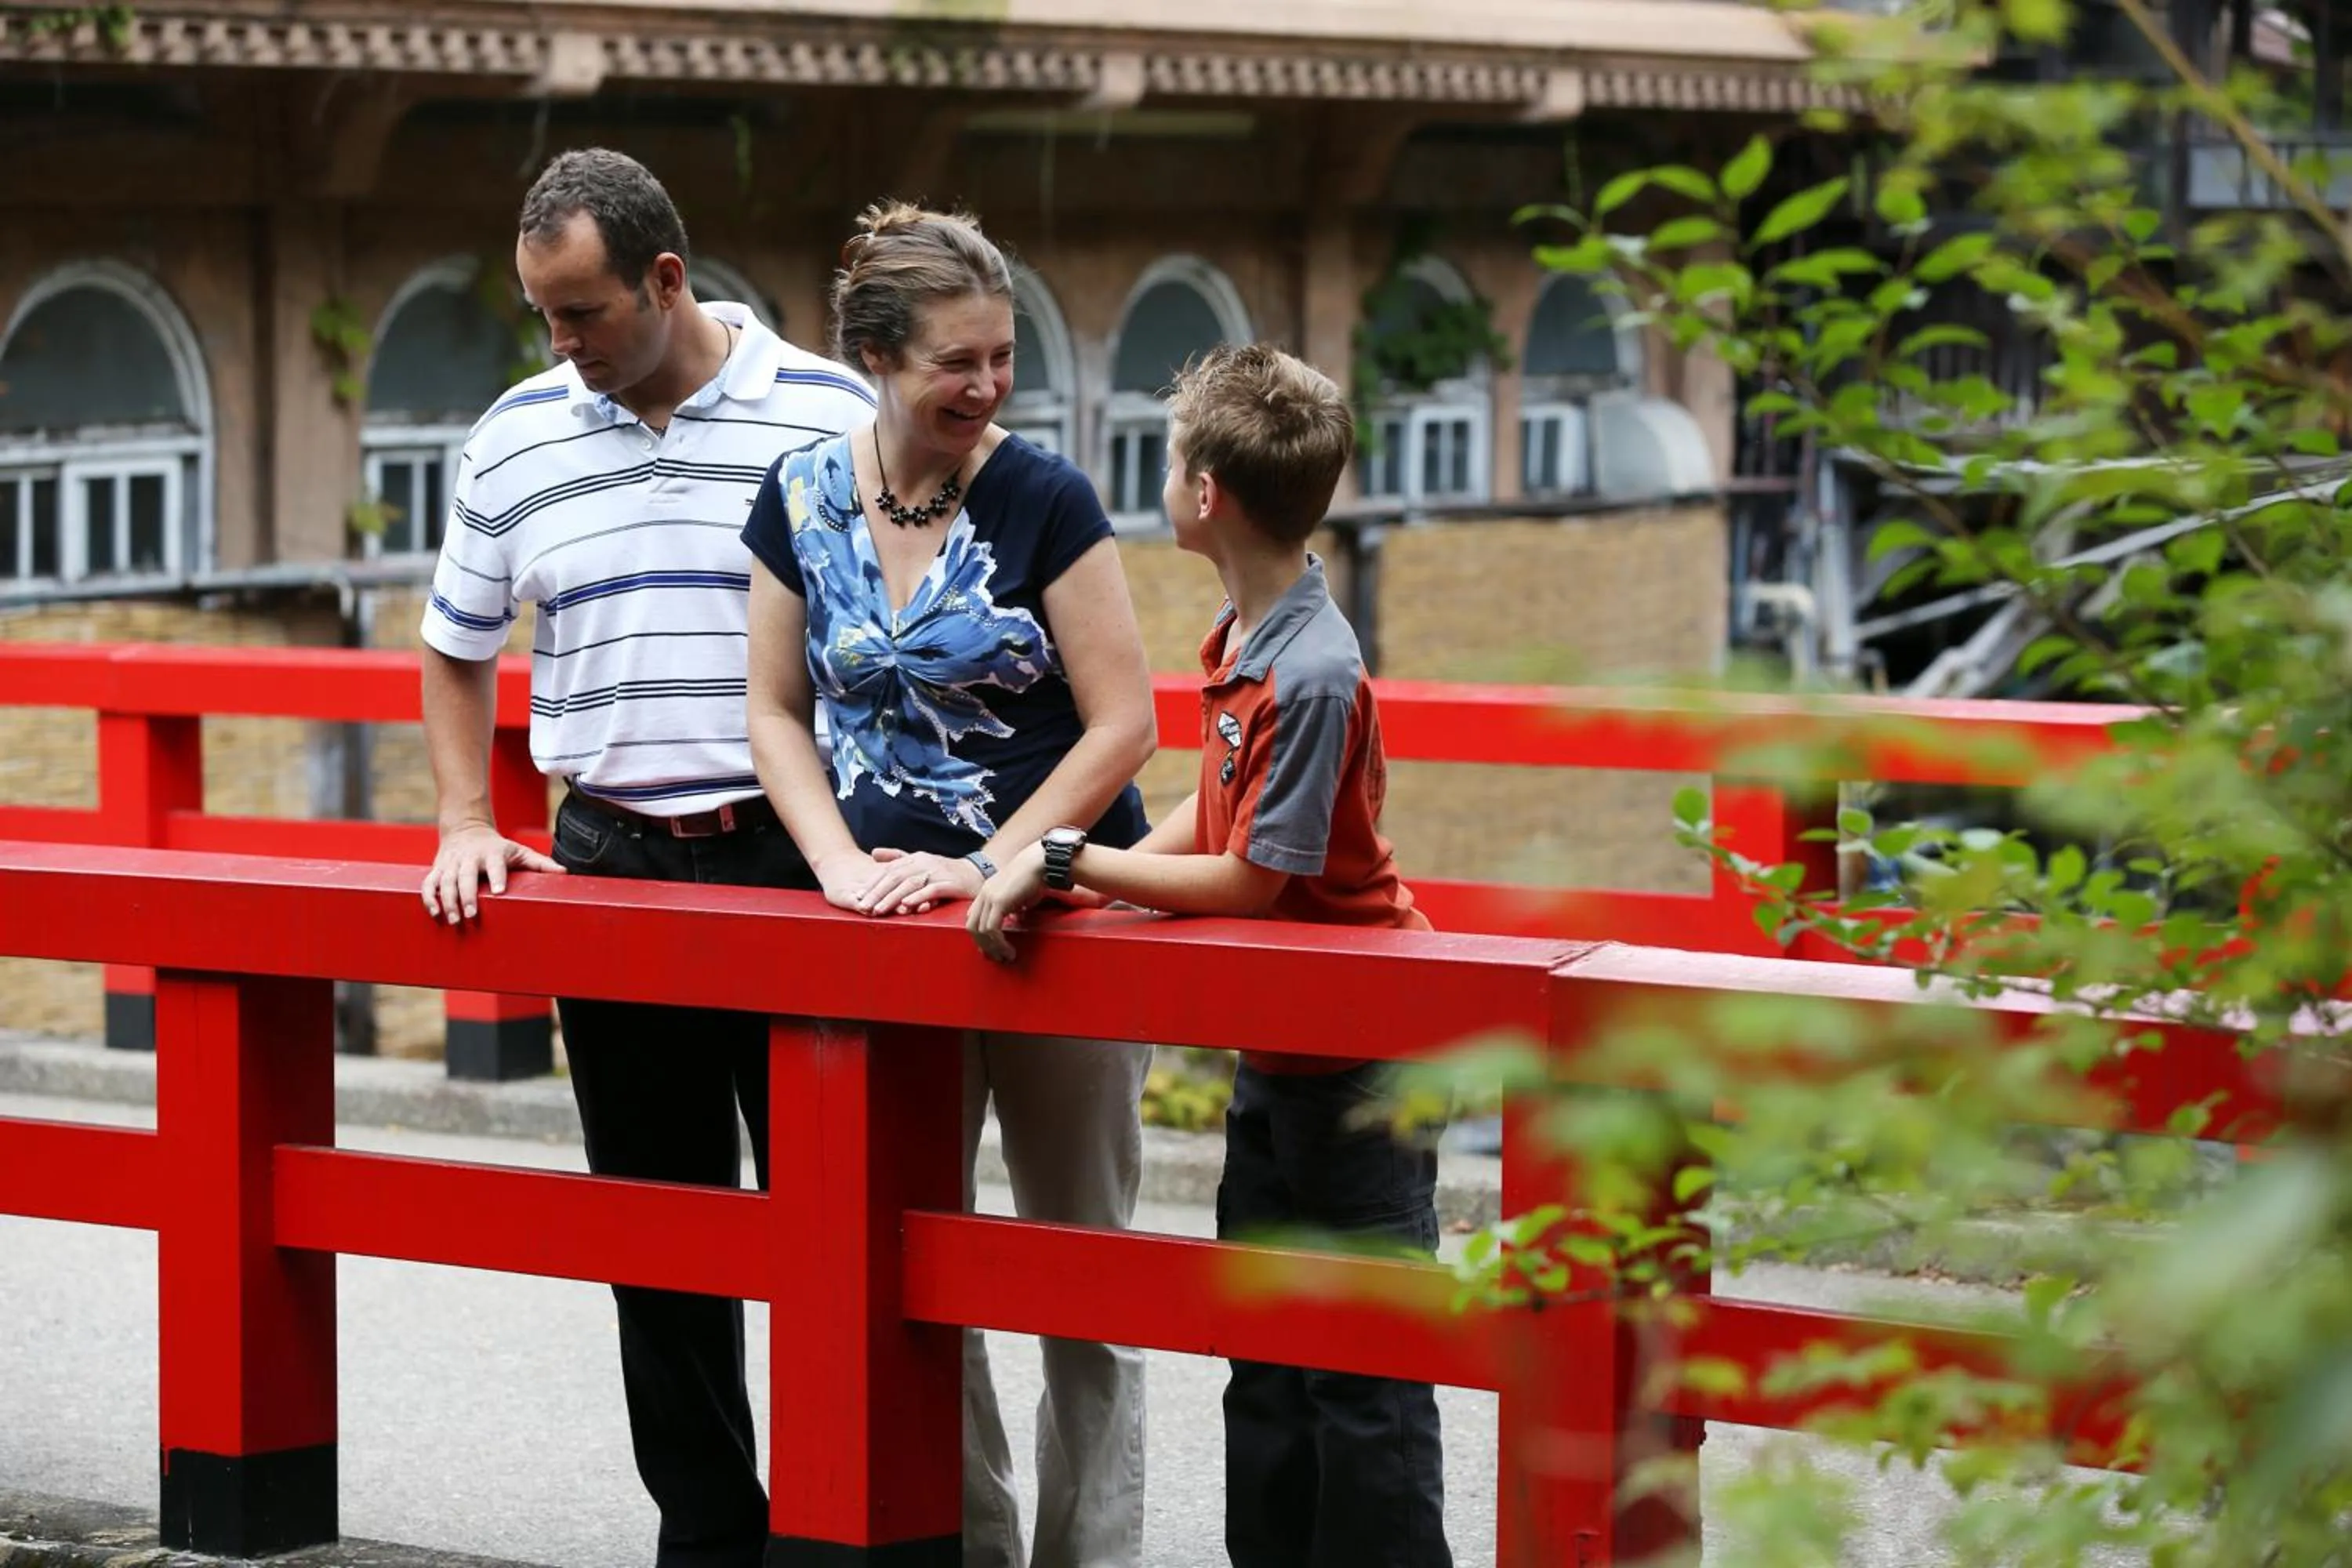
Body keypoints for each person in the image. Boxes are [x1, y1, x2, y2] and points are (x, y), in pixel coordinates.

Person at [416, 147, 875, 1568]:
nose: (562, 343)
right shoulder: (516, 434)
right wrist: (465, 819)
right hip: (610, 858)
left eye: (584, 313)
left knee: (835, 1226)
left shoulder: (829, 413)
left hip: (799, 859)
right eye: (543, 316)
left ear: (666, 280)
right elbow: (455, 646)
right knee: (658, 1236)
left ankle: (843, 1529)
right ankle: (710, 1538)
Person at [966, 343, 1454, 1568]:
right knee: (1266, 1352)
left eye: (1172, 457)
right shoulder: (1245, 632)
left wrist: (1069, 862)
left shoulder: (1314, 671)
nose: (1164, 477)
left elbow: (1250, 880)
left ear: (1205, 494)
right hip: (1281, 1047)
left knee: (1366, 1370)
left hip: (1363, 1059)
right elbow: (1214, 810)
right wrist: (1093, 879)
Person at [740, 201, 1159, 1568]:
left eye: (1002, 357)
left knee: (1081, 1266)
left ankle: (1089, 1555)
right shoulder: (799, 495)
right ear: (875, 355)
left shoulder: (1047, 498)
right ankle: (962, 1543)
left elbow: (1125, 724)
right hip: (887, 936)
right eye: (956, 362)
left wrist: (994, 864)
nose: (987, 386)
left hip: (1059, 923)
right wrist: (834, 864)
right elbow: (773, 710)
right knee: (916, 1263)